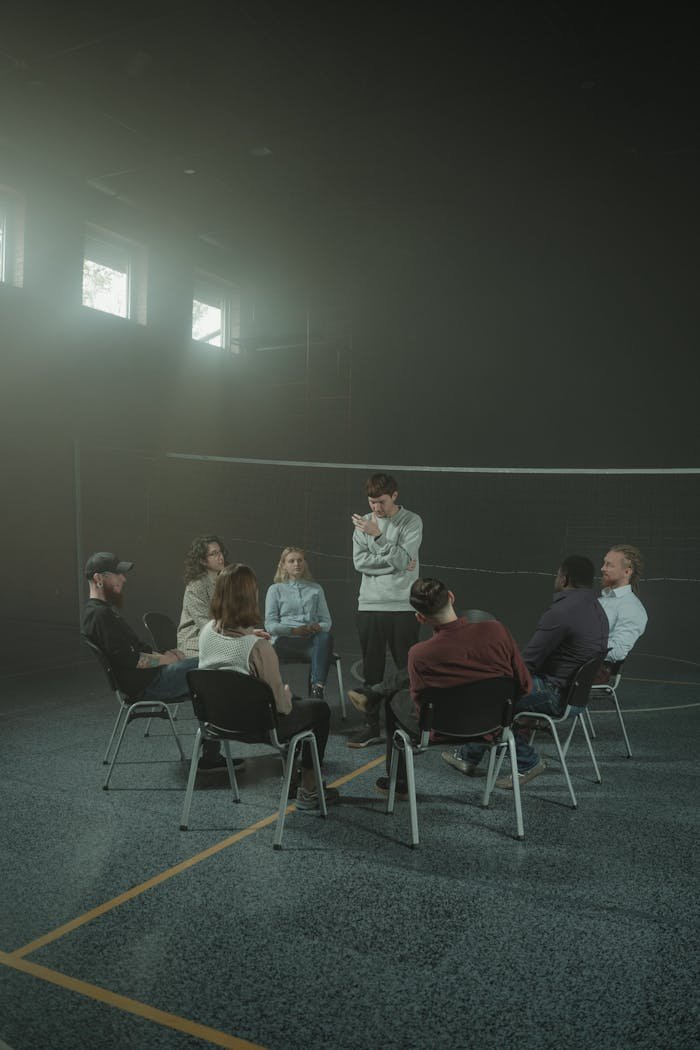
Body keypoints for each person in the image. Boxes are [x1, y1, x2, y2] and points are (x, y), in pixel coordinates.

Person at [348, 577, 531, 798]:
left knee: (394, 700)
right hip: (495, 726)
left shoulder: (419, 654)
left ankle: (399, 783)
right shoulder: (497, 630)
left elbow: (419, 705)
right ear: (451, 597)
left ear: (420, 617)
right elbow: (523, 685)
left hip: (440, 730)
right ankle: (374, 694)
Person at [445, 554, 609, 789]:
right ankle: (468, 756)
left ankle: (526, 762)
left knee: (492, 696)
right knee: (498, 692)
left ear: (565, 579)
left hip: (556, 694)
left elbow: (528, 663)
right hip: (576, 696)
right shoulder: (595, 606)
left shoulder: (562, 611)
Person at [198, 563, 339, 809]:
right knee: (316, 711)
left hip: (217, 721)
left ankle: (293, 779)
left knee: (292, 704)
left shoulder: (206, 632)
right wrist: (285, 694)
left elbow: (228, 652)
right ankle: (309, 789)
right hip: (257, 726)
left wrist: (251, 633)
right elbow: (282, 708)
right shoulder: (260, 649)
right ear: (250, 597)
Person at [80, 551, 228, 774]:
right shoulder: (99, 616)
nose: (124, 578)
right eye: (118, 574)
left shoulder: (102, 612)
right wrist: (167, 659)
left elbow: (136, 651)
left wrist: (165, 656)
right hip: (147, 684)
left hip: (150, 678)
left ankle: (211, 754)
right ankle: (215, 753)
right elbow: (133, 660)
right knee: (214, 666)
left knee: (208, 674)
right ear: (99, 579)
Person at [349, 472, 422, 748]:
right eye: (372, 502)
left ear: (394, 495)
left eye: (381, 502)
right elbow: (360, 562)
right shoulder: (362, 523)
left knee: (407, 668)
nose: (376, 509)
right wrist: (394, 560)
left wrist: (378, 537)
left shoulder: (411, 521)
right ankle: (370, 727)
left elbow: (404, 560)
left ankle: (408, 726)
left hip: (403, 604)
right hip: (369, 604)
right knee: (372, 668)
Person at [264, 547, 333, 699]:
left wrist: (317, 627)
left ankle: (317, 690)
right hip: (284, 642)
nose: (297, 564)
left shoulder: (316, 589)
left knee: (325, 638)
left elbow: (326, 621)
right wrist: (293, 631)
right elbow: (270, 625)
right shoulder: (275, 590)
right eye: (291, 561)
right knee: (322, 651)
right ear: (283, 565)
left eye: (300, 560)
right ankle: (285, 696)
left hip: (310, 642)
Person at [598, 544, 648, 681]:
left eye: (609, 565)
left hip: (590, 671)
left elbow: (618, 651)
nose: (602, 568)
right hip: (572, 663)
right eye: (604, 563)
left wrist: (580, 645)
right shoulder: (602, 600)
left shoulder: (631, 607)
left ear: (627, 572)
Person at [177, 535, 229, 656]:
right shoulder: (196, 586)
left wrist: (248, 633)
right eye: (214, 553)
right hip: (194, 643)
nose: (220, 557)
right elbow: (207, 625)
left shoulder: (225, 582)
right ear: (202, 560)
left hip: (219, 638)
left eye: (220, 552)